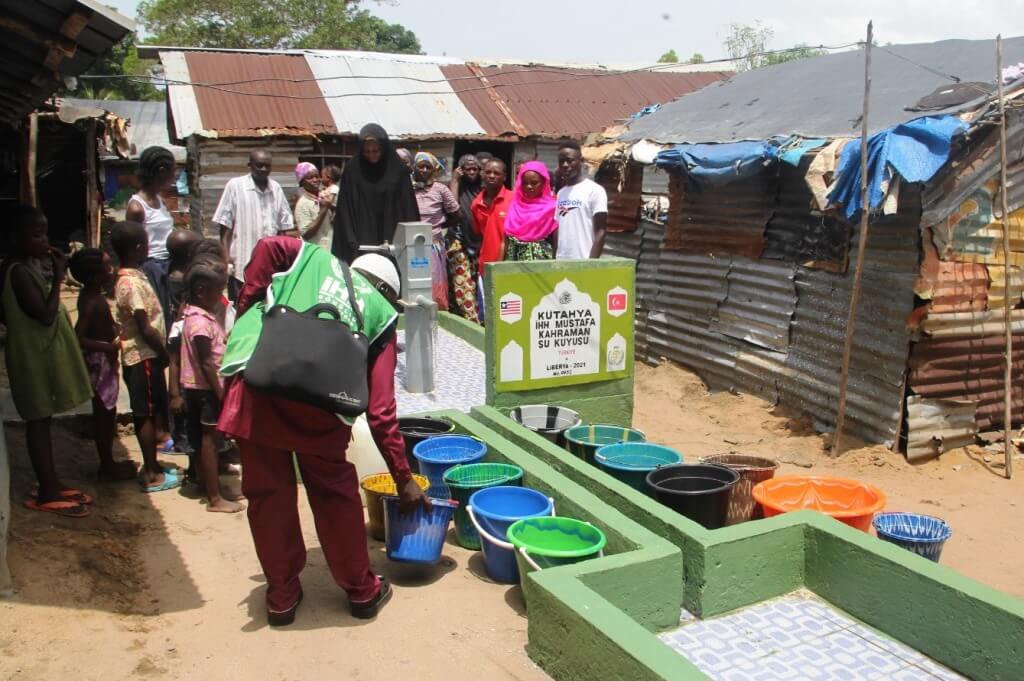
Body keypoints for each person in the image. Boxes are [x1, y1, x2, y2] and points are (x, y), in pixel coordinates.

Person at [217, 237, 430, 626]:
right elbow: (381, 413)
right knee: (335, 496)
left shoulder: (311, 257)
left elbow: (267, 247)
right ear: (387, 290)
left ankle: (281, 597)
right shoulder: (380, 312)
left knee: (268, 495)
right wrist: (404, 479)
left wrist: (249, 305)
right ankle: (361, 591)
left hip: (258, 389)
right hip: (320, 411)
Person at [2, 206, 94, 517]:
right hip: (30, 356)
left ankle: (50, 481)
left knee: (43, 420)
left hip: (36, 354)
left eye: (45, 234)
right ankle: (47, 491)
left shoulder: (23, 267)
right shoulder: (17, 272)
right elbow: (44, 314)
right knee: (38, 422)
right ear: (17, 238)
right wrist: (57, 278)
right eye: (36, 235)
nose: (44, 241)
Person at [112, 221, 178, 493]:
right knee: (145, 413)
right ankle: (151, 471)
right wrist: (164, 355)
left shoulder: (134, 276)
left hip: (146, 355)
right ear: (139, 247)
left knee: (150, 409)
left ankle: (154, 464)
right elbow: (144, 326)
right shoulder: (130, 283)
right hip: (143, 357)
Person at [180, 257, 242, 514]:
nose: (221, 296)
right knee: (209, 441)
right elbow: (207, 363)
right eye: (218, 291)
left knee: (202, 440)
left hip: (198, 388)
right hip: (206, 391)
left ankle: (206, 484)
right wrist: (222, 395)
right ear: (201, 291)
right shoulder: (200, 323)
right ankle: (214, 498)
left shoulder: (196, 315)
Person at [69, 248, 137, 482]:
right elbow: (79, 337)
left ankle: (108, 463)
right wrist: (108, 347)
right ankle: (107, 467)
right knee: (104, 415)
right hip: (100, 365)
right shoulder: (92, 300)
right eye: (108, 266)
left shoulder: (91, 295)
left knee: (107, 413)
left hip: (103, 363)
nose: (112, 270)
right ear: (98, 275)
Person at [213, 149, 295, 300]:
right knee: (241, 308)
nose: (263, 169)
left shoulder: (276, 188)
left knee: (267, 308)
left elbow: (284, 227)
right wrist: (225, 257)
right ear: (250, 165)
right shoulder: (235, 186)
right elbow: (225, 226)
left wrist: (285, 259)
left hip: (270, 265)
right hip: (242, 263)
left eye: (267, 166)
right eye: (259, 166)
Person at [332, 125, 419, 264]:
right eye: (367, 151)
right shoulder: (352, 171)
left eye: (376, 151)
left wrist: (410, 240)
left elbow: (408, 209)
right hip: (362, 242)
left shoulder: (399, 172)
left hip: (393, 241)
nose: (372, 155)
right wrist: (350, 239)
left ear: (384, 148)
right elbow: (344, 210)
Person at [126, 146, 178, 331]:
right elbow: (131, 245)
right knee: (160, 317)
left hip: (169, 262)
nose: (175, 174)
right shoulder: (136, 208)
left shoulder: (160, 200)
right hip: (152, 267)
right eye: (173, 170)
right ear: (162, 171)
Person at [165, 228, 202, 457]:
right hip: (183, 346)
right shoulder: (183, 284)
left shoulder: (171, 274)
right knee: (185, 400)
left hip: (180, 345)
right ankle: (186, 445)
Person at [412, 152, 460, 310]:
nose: (424, 170)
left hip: (432, 244)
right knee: (413, 286)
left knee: (433, 285)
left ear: (434, 170)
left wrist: (439, 226)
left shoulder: (440, 190)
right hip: (410, 244)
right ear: (414, 168)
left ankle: (436, 317)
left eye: (428, 167)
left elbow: (456, 215)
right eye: (421, 166)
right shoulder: (408, 188)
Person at [470, 159, 512, 321]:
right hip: (486, 267)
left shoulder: (514, 199)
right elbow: (480, 234)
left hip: (509, 265)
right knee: (488, 314)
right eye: (488, 172)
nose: (492, 176)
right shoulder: (476, 204)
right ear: (482, 174)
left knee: (508, 312)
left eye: (497, 173)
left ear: (505, 177)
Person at [555, 140, 608, 259]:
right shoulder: (561, 193)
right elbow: (558, 229)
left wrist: (590, 264)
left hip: (583, 262)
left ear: (581, 161)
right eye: (561, 161)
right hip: (561, 263)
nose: (565, 165)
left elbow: (601, 231)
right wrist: (555, 259)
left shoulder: (595, 191)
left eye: (569, 160)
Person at [501, 161, 558, 262]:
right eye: (525, 183)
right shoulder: (515, 206)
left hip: (541, 265)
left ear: (544, 183)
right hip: (513, 264)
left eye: (534, 183)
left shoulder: (552, 208)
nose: (529, 187)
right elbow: (505, 241)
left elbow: (556, 243)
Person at [293, 162, 333, 250]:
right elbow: (306, 234)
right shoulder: (303, 203)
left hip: (330, 248)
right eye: (309, 178)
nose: (315, 180)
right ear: (302, 182)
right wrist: (323, 210)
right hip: (315, 252)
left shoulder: (325, 196)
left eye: (317, 176)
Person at [450, 154, 483, 256]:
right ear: (461, 171)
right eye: (468, 169)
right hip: (459, 236)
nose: (472, 172)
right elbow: (452, 206)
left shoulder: (483, 186)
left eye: (475, 169)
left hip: (481, 238)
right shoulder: (456, 186)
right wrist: (455, 180)